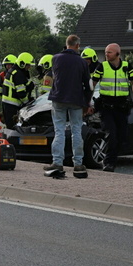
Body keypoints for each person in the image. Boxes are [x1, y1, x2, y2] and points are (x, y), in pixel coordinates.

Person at [44, 35, 92, 179]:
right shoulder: (82, 62)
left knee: (59, 131)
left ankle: (57, 162)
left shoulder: (56, 58)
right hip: (76, 100)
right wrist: (87, 103)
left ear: (66, 44)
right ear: (77, 46)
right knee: (76, 131)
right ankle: (78, 164)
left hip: (58, 99)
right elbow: (88, 85)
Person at [91, 43, 133, 172]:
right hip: (106, 106)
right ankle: (109, 163)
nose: (106, 54)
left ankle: (113, 158)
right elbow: (93, 84)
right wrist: (87, 102)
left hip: (121, 106)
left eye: (109, 52)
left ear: (118, 54)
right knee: (111, 134)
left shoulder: (126, 66)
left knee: (121, 136)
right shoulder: (102, 66)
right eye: (105, 52)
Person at [0, 52, 34, 129]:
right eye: (28, 65)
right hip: (12, 105)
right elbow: (21, 93)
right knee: (14, 129)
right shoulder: (18, 74)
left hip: (8, 104)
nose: (29, 67)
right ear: (22, 64)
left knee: (10, 127)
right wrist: (27, 103)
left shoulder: (13, 71)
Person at [0, 54, 16, 119]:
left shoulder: (18, 74)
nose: (8, 66)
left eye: (10, 64)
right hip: (6, 102)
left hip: (17, 101)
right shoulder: (2, 75)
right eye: (6, 64)